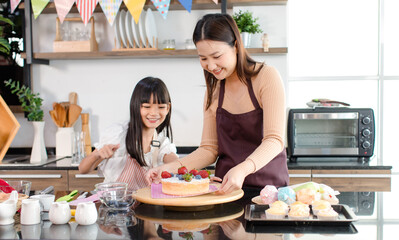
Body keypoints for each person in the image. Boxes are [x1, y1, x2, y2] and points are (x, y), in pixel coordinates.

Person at [146, 13, 289, 194]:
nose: (211, 66)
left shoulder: (266, 76)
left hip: (268, 189)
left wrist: (243, 169)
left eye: (216, 56)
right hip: (224, 191)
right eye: (203, 58)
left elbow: (274, 140)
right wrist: (168, 169)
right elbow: (208, 149)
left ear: (235, 46)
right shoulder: (213, 91)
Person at [79, 77, 179, 191]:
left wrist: (170, 168)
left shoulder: (161, 143)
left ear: (168, 108)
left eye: (161, 107)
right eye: (147, 107)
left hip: (145, 205)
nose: (154, 113)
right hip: (114, 204)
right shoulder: (118, 134)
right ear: (135, 106)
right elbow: (83, 169)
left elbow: (178, 164)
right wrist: (97, 155)